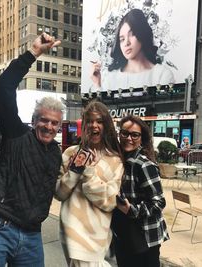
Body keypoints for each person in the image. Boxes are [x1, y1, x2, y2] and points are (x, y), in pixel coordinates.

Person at [0, 33, 63, 266]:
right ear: (34, 121)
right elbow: (3, 88)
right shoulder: (17, 134)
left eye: (54, 123)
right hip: (1, 228)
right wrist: (33, 52)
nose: (48, 126)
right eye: (44, 120)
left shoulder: (56, 152)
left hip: (33, 235)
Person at [55, 100, 124, 267]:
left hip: (95, 237)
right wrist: (74, 171)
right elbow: (59, 193)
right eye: (89, 121)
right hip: (68, 233)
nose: (94, 125)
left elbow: (109, 202)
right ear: (84, 125)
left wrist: (88, 173)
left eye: (99, 121)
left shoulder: (115, 160)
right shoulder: (70, 152)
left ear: (106, 125)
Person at [111, 115, 169, 267]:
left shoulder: (143, 165)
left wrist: (131, 209)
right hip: (124, 235)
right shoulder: (118, 162)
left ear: (141, 138)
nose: (129, 138)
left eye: (134, 135)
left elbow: (159, 203)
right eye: (125, 133)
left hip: (145, 238)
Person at [91, 8, 175, 91]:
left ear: (142, 33)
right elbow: (100, 104)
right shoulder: (111, 77)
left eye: (132, 34)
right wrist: (97, 84)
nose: (126, 43)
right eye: (122, 39)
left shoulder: (162, 75)